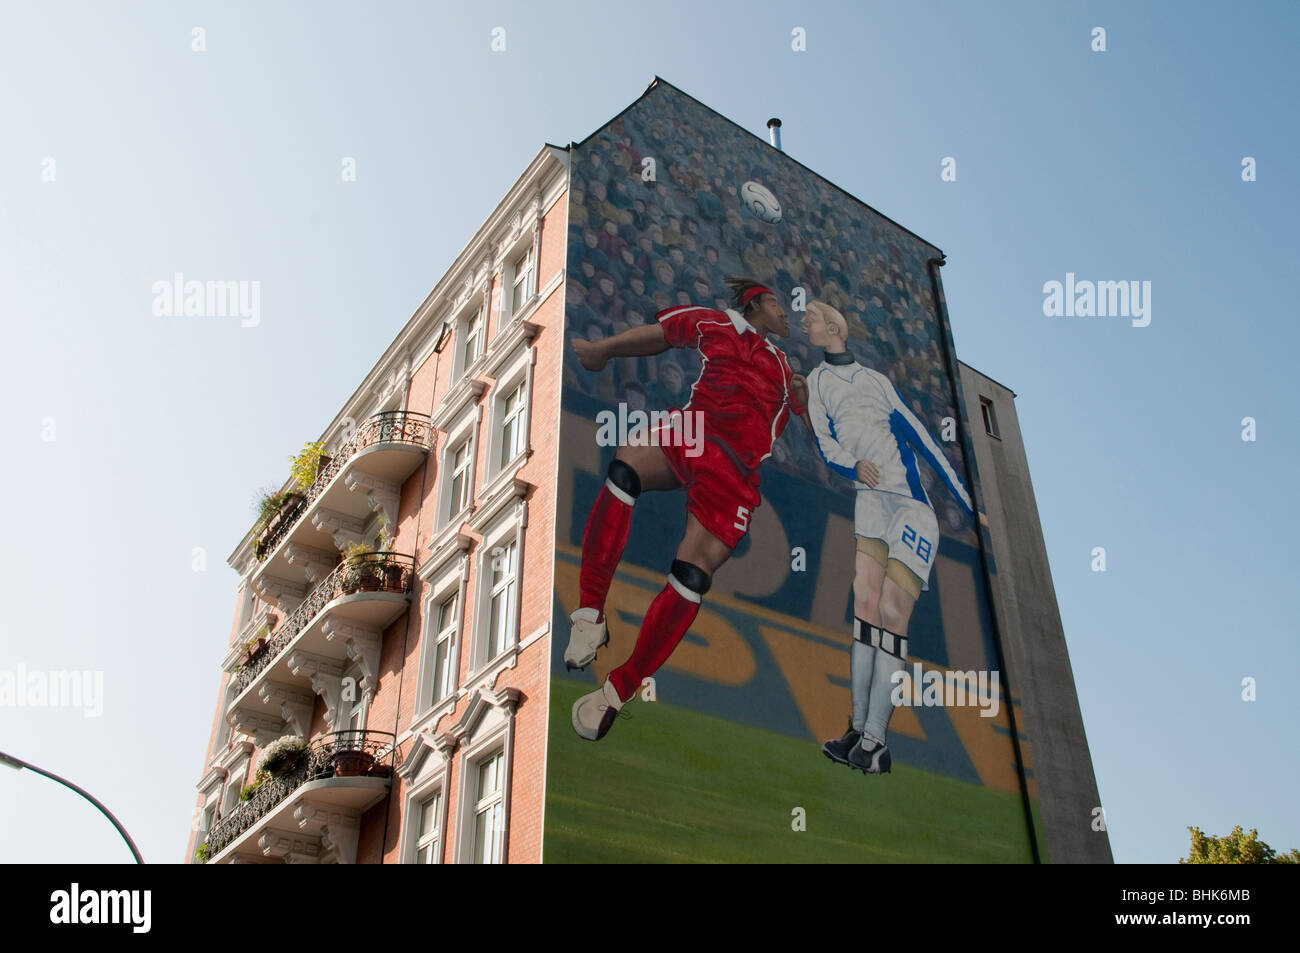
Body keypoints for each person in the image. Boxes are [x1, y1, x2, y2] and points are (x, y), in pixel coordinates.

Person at [566, 278, 808, 741]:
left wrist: (804, 404)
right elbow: (659, 336)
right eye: (778, 305)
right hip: (693, 430)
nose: (786, 315)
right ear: (757, 303)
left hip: (736, 469)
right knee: (626, 465)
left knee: (693, 573)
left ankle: (618, 689)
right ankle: (590, 617)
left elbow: (821, 434)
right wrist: (602, 349)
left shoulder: (782, 367)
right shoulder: (712, 322)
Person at [800, 302, 986, 774]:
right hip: (869, 502)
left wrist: (969, 506)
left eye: (814, 317)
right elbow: (825, 443)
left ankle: (878, 740)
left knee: (890, 613)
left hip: (909, 508)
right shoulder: (817, 384)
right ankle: (857, 730)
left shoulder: (876, 381)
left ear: (835, 326)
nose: (806, 322)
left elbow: (923, 439)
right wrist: (848, 464)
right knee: (864, 608)